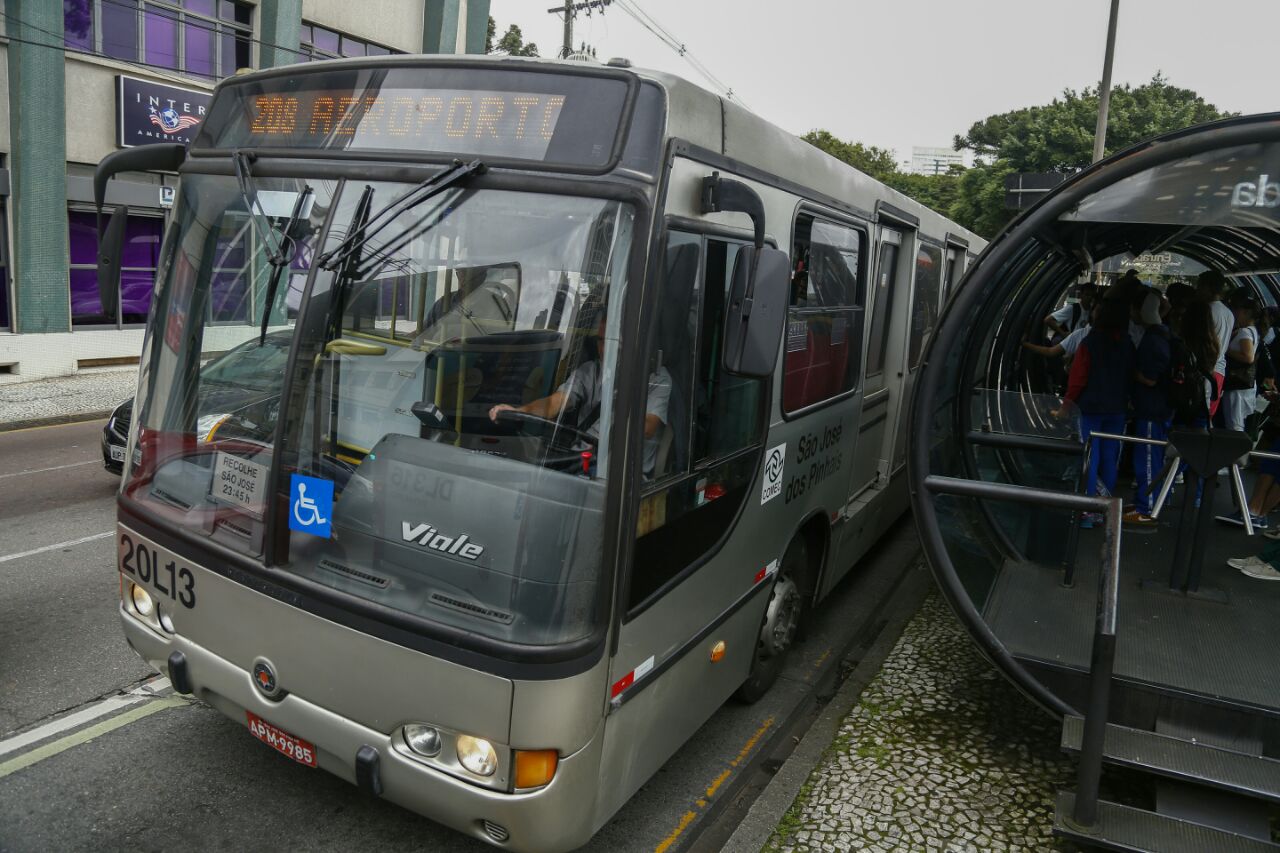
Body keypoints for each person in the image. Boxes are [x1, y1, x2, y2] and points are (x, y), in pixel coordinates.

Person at [489, 312, 672, 476]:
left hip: (623, 477)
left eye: (613, 342)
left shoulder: (657, 378)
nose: (604, 349)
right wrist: (521, 411)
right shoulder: (590, 371)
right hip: (580, 464)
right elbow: (555, 403)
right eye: (601, 340)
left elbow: (647, 427)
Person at [1054, 298, 1135, 526]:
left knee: (1090, 456)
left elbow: (1078, 379)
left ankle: (1087, 511)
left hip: (1090, 408)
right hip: (1117, 409)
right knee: (1110, 457)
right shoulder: (1128, 342)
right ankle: (1104, 508)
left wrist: (1066, 406)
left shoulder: (1091, 342)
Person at [1125, 291, 1173, 526]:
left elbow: (1152, 378)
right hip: (1157, 407)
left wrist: (1135, 374)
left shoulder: (1154, 338)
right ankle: (1146, 500)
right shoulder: (1163, 333)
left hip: (1151, 407)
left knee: (1147, 458)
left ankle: (1147, 508)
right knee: (1150, 457)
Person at [1196, 270, 1235, 419]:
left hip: (1206, 370)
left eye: (1199, 286)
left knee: (1199, 415)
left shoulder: (1207, 311)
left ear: (1208, 287)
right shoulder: (1228, 313)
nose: (1197, 290)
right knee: (1208, 416)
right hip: (1219, 371)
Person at [1222, 290, 1259, 434]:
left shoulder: (1244, 332)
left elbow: (1248, 357)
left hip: (1237, 386)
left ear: (1246, 312)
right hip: (1245, 385)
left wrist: (1226, 349)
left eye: (1238, 310)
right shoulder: (1251, 330)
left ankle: (1237, 454)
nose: (1235, 313)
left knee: (1234, 425)